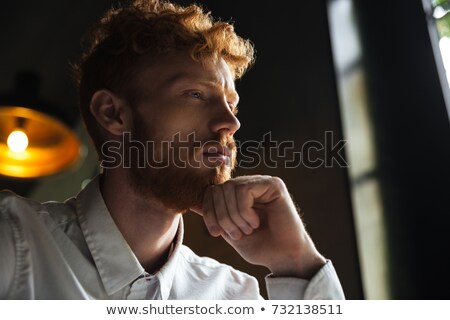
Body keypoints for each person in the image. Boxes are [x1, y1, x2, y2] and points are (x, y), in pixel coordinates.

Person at [0, 0, 345, 299]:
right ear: (113, 113)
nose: (231, 123)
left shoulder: (234, 295)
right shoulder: (14, 242)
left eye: (232, 105)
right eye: (196, 94)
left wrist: (297, 262)